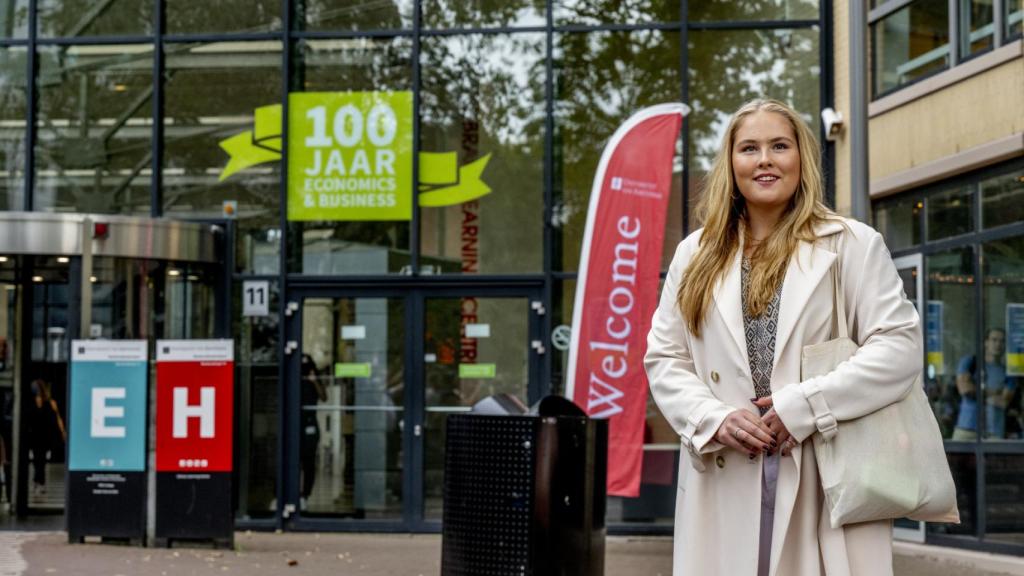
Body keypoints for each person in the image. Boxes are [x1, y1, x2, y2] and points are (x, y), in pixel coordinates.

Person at [645, 99, 922, 575]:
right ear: (731, 164)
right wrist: (712, 419)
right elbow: (665, 357)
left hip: (821, 467)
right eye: (749, 148)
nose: (765, 159)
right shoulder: (695, 253)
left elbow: (899, 347)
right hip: (724, 469)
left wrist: (804, 406)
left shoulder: (850, 244)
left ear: (802, 159)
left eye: (779, 145)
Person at [953, 328, 1019, 440]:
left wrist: (977, 391)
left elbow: (1003, 402)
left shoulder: (1008, 371)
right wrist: (995, 392)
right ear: (986, 342)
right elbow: (965, 390)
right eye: (994, 340)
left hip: (994, 432)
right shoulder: (970, 362)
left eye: (1002, 341)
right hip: (966, 428)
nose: (998, 344)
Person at [27, 379, 66, 495]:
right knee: (37, 460)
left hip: (45, 436)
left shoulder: (50, 403)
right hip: (34, 435)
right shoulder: (31, 403)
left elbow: (57, 418)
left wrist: (62, 431)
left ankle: (40, 482)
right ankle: (37, 481)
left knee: (41, 460)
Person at [299, 354, 327, 509]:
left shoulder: (314, 379)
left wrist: (314, 380)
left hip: (310, 424)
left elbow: (324, 397)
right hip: (296, 423)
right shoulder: (295, 380)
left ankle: (305, 494)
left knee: (309, 462)